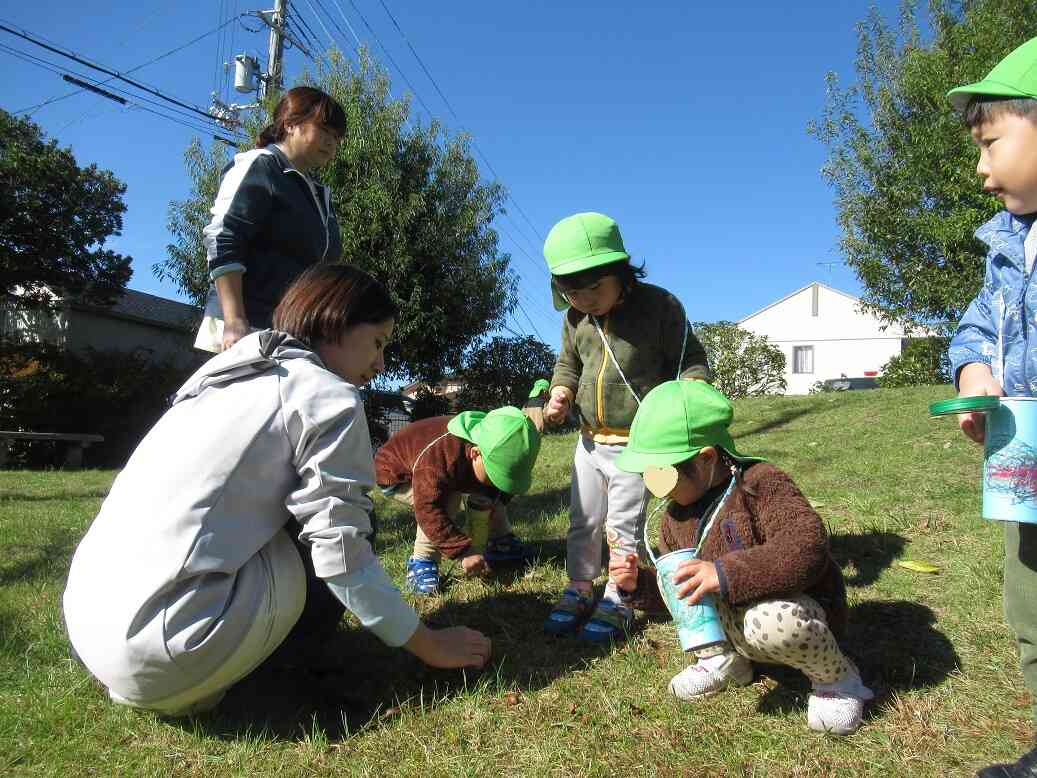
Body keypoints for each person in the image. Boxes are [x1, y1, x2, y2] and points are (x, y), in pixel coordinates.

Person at [63, 265, 491, 717]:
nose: (381, 364)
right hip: (168, 654)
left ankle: (210, 660)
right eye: (378, 342)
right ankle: (287, 678)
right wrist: (430, 643)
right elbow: (342, 553)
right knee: (347, 521)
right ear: (334, 322)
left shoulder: (220, 379)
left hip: (92, 627)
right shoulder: (328, 396)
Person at [611, 380, 873, 735]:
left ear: (706, 459)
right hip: (734, 623)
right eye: (648, 475)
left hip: (791, 613)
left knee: (769, 620)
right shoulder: (676, 516)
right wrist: (637, 584)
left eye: (662, 472)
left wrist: (725, 572)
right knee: (672, 571)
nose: (656, 484)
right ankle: (724, 660)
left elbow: (806, 545)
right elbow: (684, 590)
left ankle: (837, 678)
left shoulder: (760, 483)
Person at [540, 211, 711, 643]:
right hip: (589, 442)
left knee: (623, 525)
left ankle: (621, 593)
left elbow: (690, 357)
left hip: (637, 445)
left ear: (621, 270)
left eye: (594, 287)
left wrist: (692, 388)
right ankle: (580, 586)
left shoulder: (660, 307)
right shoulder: (575, 320)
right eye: (571, 291)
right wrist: (560, 392)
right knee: (583, 520)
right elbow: (568, 366)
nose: (584, 299)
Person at [947, 36, 1037, 778]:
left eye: (989, 143)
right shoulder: (1008, 241)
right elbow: (978, 320)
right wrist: (976, 367)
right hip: (1026, 463)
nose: (980, 168)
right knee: (1029, 606)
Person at [196, 85, 347, 353]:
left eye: (336, 137)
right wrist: (234, 320)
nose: (331, 142)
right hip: (245, 333)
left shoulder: (317, 194)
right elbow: (223, 235)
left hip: (291, 336)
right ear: (290, 124)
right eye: (324, 130)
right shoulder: (260, 166)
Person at [374, 406, 541, 595]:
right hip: (396, 474)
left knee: (488, 495)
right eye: (495, 475)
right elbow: (428, 507)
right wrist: (464, 551)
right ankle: (422, 562)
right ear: (475, 453)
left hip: (445, 474)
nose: (498, 482)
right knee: (446, 499)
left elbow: (500, 489)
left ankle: (500, 543)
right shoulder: (440, 457)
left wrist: (496, 496)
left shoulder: (491, 441)